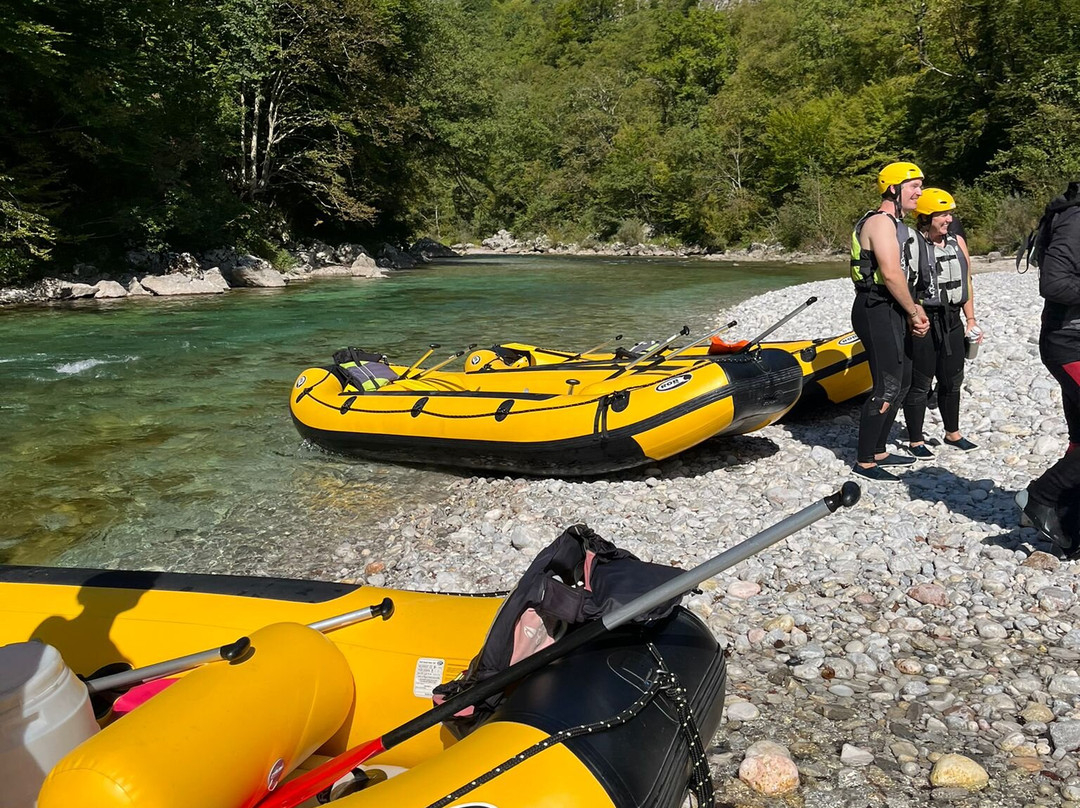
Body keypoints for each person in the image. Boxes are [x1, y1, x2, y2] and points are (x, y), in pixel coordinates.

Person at [850, 162, 931, 482]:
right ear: (894, 189)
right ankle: (865, 461)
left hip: (893, 307)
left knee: (905, 380)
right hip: (876, 308)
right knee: (888, 386)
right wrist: (913, 312)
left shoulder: (895, 224)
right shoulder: (880, 223)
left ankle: (880, 449)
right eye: (914, 186)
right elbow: (892, 273)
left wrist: (914, 308)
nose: (920, 192)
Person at [1017, 182, 1080, 556]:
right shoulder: (1076, 219)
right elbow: (1053, 282)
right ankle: (1042, 497)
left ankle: (1069, 520)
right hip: (1070, 343)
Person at [902, 189, 982, 458]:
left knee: (952, 379)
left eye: (950, 214)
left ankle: (953, 433)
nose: (949, 219)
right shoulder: (913, 244)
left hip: (952, 320)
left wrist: (971, 319)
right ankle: (916, 440)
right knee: (920, 382)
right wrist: (913, 315)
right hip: (924, 321)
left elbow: (966, 281)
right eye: (942, 214)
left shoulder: (957, 242)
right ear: (926, 217)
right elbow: (904, 284)